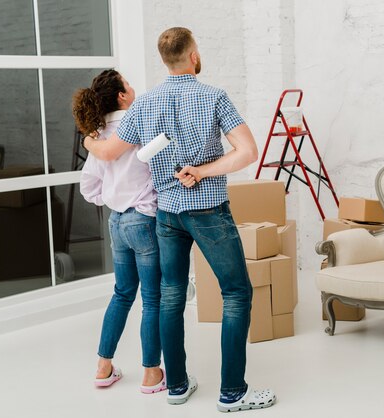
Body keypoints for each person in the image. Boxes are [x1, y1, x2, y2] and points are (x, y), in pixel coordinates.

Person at [83, 27, 276, 411]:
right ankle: (232, 393)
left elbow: (110, 151)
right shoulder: (214, 96)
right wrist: (203, 171)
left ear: (164, 59)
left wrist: (89, 138)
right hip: (207, 210)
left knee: (170, 296)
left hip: (167, 213)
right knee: (236, 293)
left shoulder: (144, 104)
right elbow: (247, 152)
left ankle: (177, 387)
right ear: (193, 55)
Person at [72, 69, 165, 394]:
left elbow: (88, 187)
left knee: (123, 294)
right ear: (122, 95)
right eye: (128, 83)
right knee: (152, 299)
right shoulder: (138, 124)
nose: (133, 85)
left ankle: (103, 367)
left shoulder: (98, 136)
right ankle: (152, 374)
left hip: (117, 221)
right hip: (143, 220)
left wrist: (113, 197)